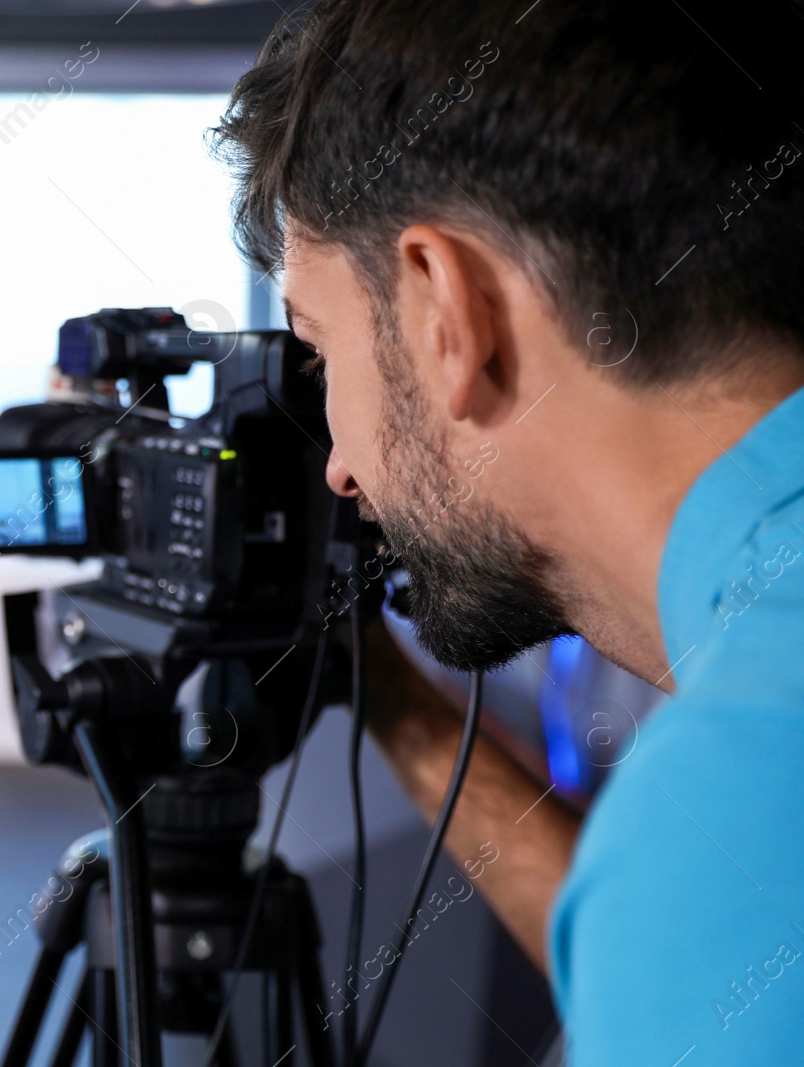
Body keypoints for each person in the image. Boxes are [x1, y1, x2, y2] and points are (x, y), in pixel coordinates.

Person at [213, 0, 804, 1062]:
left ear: (447, 310)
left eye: (320, 351)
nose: (337, 467)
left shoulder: (731, 807)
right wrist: (395, 704)